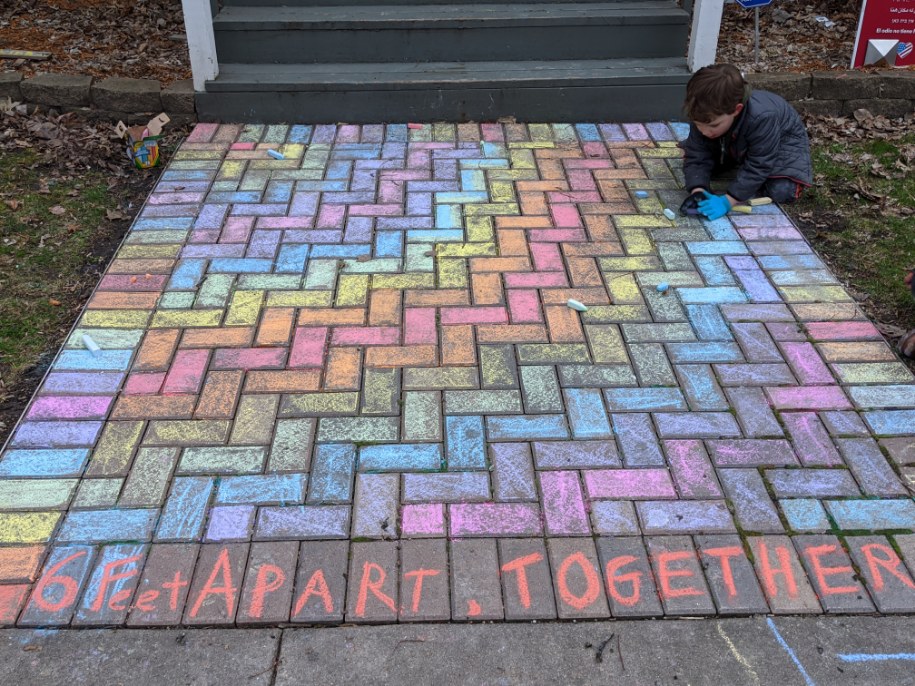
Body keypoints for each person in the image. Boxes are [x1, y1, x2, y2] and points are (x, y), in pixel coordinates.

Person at [678, 64, 812, 220]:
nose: (705, 131)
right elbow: (697, 155)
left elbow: (760, 163)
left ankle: (749, 173)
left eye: (713, 125)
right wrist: (698, 190)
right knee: (699, 166)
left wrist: (729, 201)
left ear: (737, 109)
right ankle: (740, 167)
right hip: (738, 143)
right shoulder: (705, 114)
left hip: (782, 145)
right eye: (698, 125)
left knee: (782, 191)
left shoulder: (763, 117)